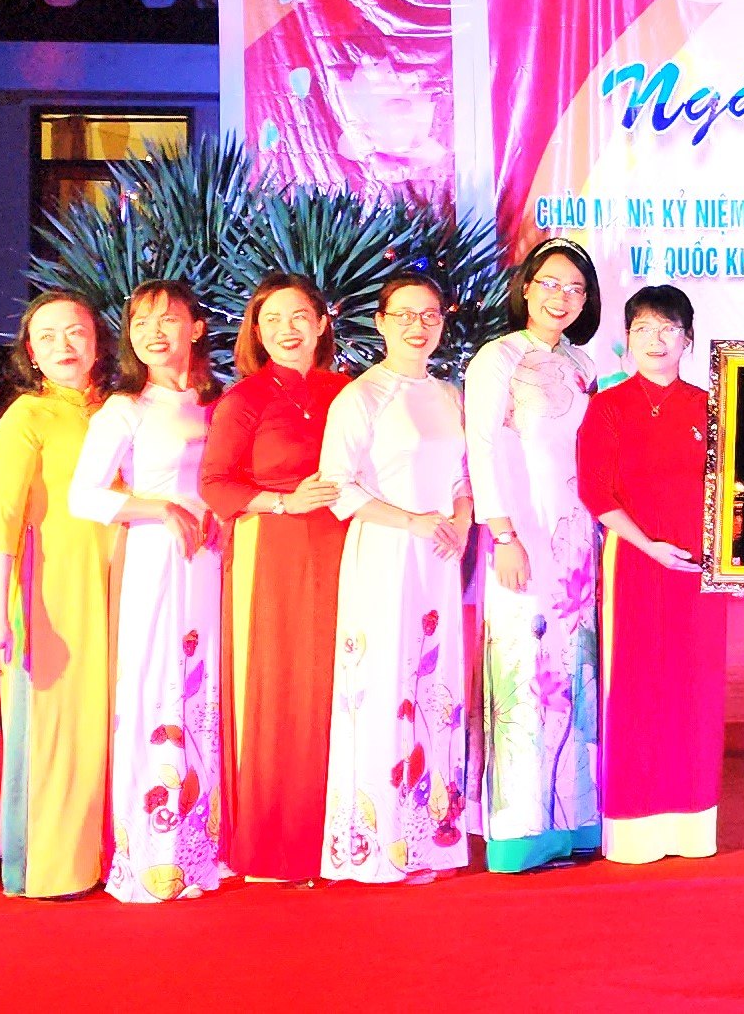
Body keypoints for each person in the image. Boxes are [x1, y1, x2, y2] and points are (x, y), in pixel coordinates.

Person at [69, 279, 225, 902]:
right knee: (156, 687)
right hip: (157, 559)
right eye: (140, 323)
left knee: (205, 689)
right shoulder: (125, 408)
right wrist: (159, 507)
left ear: (197, 328)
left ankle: (202, 849)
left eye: (168, 320)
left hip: (213, 561)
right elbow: (84, 495)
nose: (154, 333)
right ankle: (150, 853)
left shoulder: (218, 403)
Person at [320, 273, 474, 884]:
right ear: (381, 322)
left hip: (439, 554)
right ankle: (376, 841)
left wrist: (460, 520)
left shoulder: (449, 395)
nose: (418, 326)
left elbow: (462, 474)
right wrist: (412, 521)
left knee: (435, 688)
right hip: (385, 553)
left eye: (430, 315)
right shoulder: (360, 396)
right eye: (404, 315)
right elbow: (338, 487)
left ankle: (429, 837)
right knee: (383, 684)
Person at [200, 274, 351, 885]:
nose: (287, 329)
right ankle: (274, 847)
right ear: (256, 333)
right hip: (275, 553)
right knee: (281, 689)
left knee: (339, 687)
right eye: (272, 320)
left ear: (321, 323)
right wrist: (284, 501)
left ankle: (339, 839)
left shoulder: (347, 391)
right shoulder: (246, 400)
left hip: (345, 549)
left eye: (299, 317)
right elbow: (215, 484)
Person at [461, 237, 606, 871]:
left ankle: (573, 820)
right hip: (521, 533)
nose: (561, 297)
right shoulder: (498, 358)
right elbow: (481, 446)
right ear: (525, 288)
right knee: (523, 676)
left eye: (575, 288)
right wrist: (503, 534)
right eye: (550, 283)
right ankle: (520, 831)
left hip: (577, 540)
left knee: (574, 673)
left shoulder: (582, 362)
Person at [579, 285, 736, 863]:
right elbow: (596, 491)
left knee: (695, 689)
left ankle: (691, 824)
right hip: (636, 563)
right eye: (643, 329)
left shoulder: (712, 406)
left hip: (699, 571)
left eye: (668, 329)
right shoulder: (608, 406)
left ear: (687, 340)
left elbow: (733, 485)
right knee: (636, 688)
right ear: (627, 339)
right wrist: (648, 547)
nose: (655, 340)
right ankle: (635, 828)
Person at [0, 289, 120, 898]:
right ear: (30, 353)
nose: (63, 345)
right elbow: (2, 524)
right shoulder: (26, 418)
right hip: (54, 591)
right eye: (47, 336)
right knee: (61, 725)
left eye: (76, 331)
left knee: (117, 717)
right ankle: (54, 865)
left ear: (98, 341)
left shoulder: (121, 408)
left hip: (124, 584)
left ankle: (118, 852)